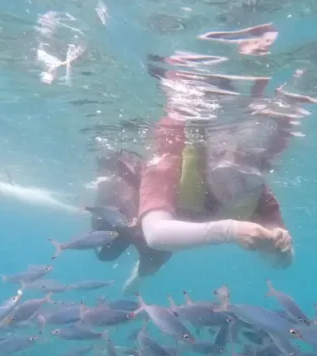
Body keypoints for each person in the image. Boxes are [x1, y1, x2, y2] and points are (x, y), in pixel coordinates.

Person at [99, 63, 302, 293]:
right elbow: (156, 233)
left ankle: (141, 271)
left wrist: (282, 247)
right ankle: (77, 201)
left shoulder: (257, 193)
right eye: (226, 174)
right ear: (209, 158)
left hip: (178, 221)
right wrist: (231, 230)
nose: (235, 189)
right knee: (108, 250)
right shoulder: (168, 165)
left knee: (157, 257)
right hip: (136, 200)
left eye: (248, 175)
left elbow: (281, 265)